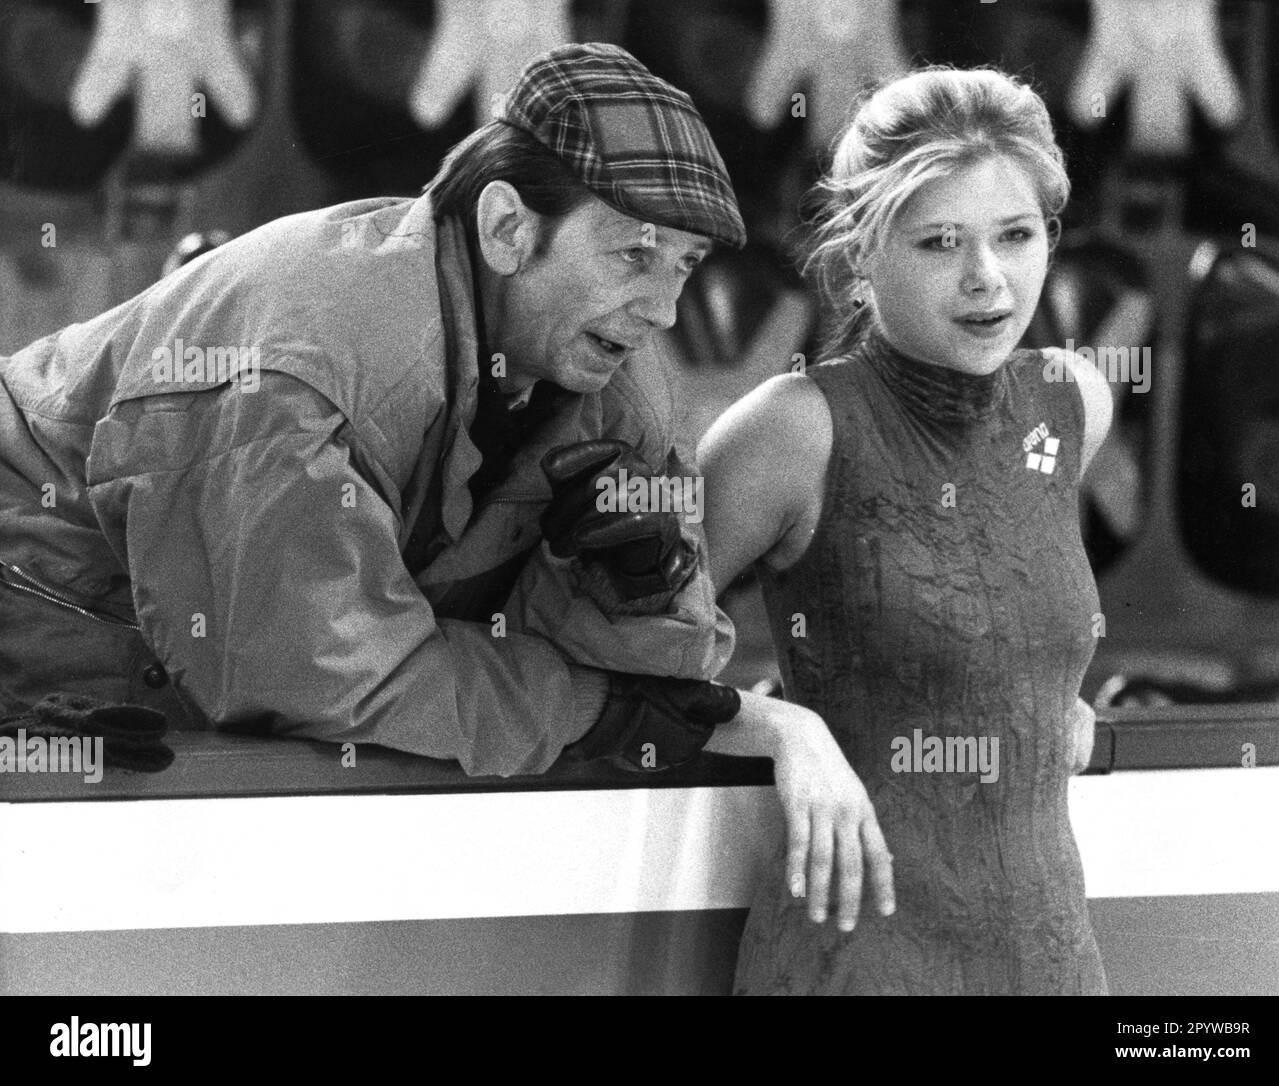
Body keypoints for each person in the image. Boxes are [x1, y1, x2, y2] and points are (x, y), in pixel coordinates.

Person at [0, 42, 743, 778]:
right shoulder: (302, 365)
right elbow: (313, 676)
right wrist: (582, 711)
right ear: (508, 229)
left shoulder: (613, 370)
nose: (666, 312)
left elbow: (672, 690)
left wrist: (642, 590)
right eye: (634, 257)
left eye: (685, 264)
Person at [699, 66, 1113, 994]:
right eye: (939, 243)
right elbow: (622, 662)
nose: (987, 279)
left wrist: (1043, 691)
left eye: (1015, 235)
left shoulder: (1072, 402)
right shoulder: (792, 429)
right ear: (860, 257)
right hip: (860, 961)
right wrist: (781, 729)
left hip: (1052, 961)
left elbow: (1007, 595)